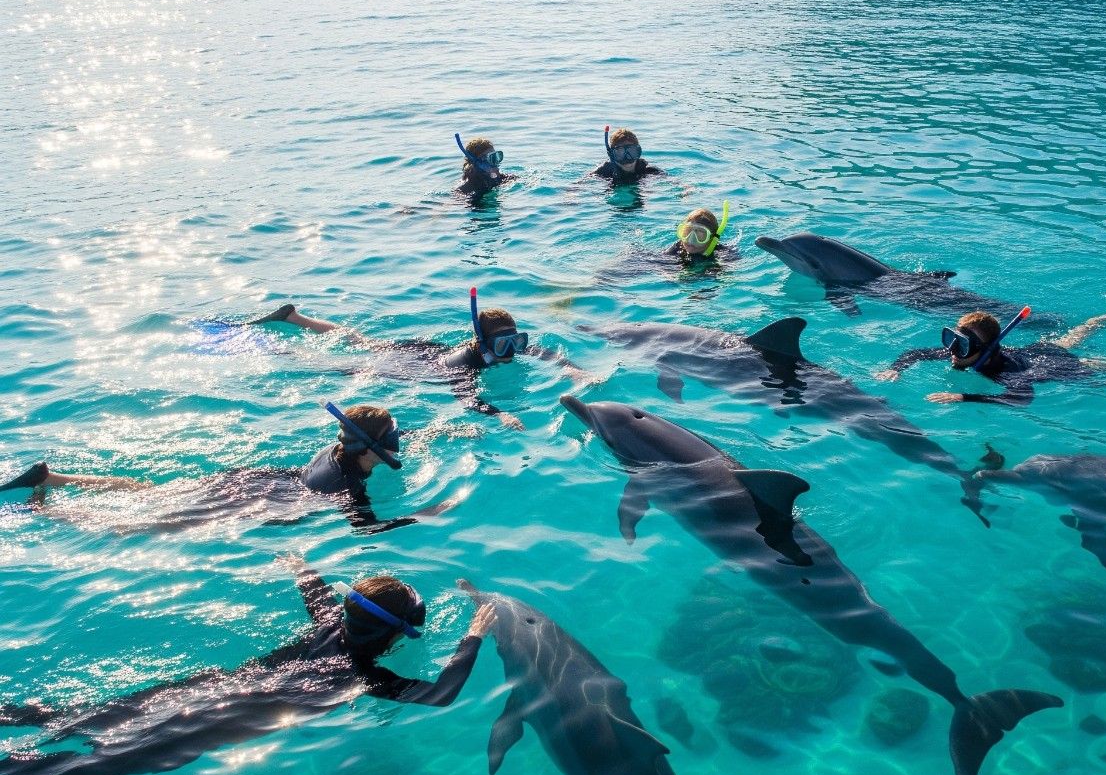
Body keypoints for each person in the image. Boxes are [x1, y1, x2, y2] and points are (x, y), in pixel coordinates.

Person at [0, 563, 496, 775]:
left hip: (213, 687)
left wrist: (301, 566)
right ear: (395, 639)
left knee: (81, 716)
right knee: (89, 765)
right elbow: (441, 695)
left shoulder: (328, 630)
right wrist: (473, 634)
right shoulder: (367, 676)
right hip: (226, 721)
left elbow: (319, 600)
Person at [0, 404, 453, 534]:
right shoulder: (352, 484)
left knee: (145, 489)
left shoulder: (342, 452)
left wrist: (434, 433)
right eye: (392, 438)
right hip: (260, 498)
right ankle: (46, 511)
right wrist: (421, 515)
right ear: (370, 448)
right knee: (142, 525)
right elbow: (366, 533)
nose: (398, 442)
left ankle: (53, 477)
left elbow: (381, 440)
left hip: (256, 477)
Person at [247, 290, 589, 431]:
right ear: (484, 342)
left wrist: (572, 369)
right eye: (504, 345)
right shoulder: (465, 365)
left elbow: (540, 351)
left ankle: (295, 318)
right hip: (413, 367)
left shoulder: (504, 346)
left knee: (364, 342)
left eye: (516, 340)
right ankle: (284, 351)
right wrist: (500, 414)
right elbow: (466, 397)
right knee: (347, 362)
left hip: (427, 349)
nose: (513, 350)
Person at [876, 295, 1106, 408]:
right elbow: (917, 353)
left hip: (1046, 366)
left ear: (984, 348)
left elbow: (1020, 399)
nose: (952, 351)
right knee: (1078, 333)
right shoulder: (958, 353)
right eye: (952, 339)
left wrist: (964, 398)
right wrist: (897, 368)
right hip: (1035, 350)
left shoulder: (1002, 373)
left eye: (962, 345)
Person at [664, 204, 736, 267]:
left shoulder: (722, 253)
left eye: (700, 235)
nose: (691, 240)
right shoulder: (677, 247)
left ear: (712, 238)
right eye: (687, 231)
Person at [592, 127, 662, 184]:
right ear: (611, 154)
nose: (627, 159)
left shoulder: (647, 170)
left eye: (631, 152)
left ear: (638, 152)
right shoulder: (604, 171)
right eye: (620, 152)